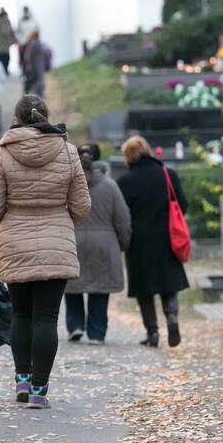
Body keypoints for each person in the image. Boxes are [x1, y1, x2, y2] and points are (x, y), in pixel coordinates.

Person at [0, 95, 91, 409]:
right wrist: (62, 221)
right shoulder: (68, 152)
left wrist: (9, 220)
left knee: (21, 313)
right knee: (47, 317)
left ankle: (22, 378)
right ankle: (39, 391)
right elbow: (82, 204)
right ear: (46, 115)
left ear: (16, 118)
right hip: (57, 242)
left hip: (16, 240)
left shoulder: (3, 154)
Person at [117, 135, 190, 348]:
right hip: (167, 239)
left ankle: (153, 332)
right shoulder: (168, 174)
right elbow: (182, 205)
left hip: (139, 242)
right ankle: (172, 316)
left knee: (144, 290)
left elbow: (122, 215)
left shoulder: (125, 182)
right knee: (169, 286)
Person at [65, 144, 131, 344]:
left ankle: (75, 325)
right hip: (104, 243)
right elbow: (122, 219)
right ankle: (97, 331)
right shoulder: (110, 186)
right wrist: (123, 243)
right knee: (100, 288)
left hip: (73, 240)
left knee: (72, 286)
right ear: (100, 159)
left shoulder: (66, 184)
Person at [21, 30, 46, 97]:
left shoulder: (31, 44)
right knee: (39, 84)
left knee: (32, 88)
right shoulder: (39, 44)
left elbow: (26, 57)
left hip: (32, 69)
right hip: (37, 68)